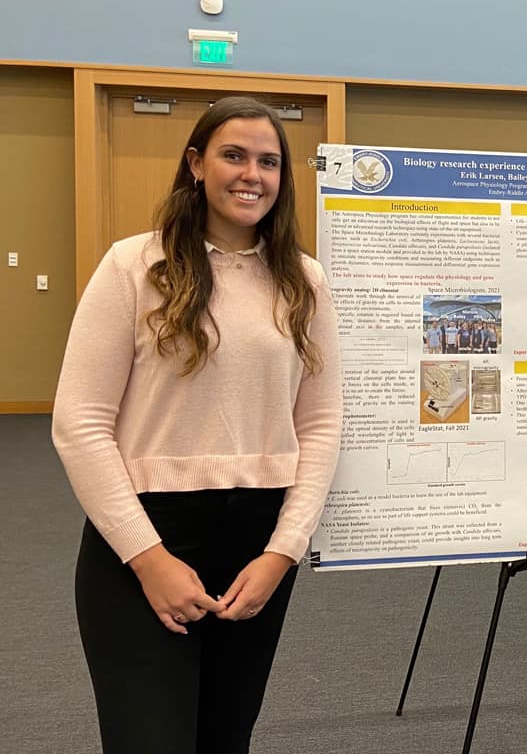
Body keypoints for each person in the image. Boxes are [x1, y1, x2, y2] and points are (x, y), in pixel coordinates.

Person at [52, 96, 343, 754]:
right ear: (196, 165)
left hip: (258, 545)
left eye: (268, 161)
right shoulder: (133, 267)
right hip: (143, 538)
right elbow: (81, 424)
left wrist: (282, 552)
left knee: (223, 739)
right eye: (233, 155)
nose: (252, 174)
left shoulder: (305, 281)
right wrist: (149, 559)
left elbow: (322, 425)